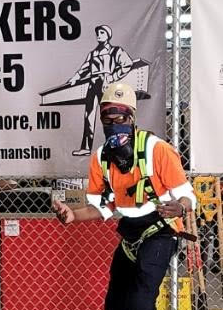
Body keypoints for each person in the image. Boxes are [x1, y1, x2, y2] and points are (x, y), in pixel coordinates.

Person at [53, 83, 196, 310]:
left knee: (140, 302)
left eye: (120, 119)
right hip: (130, 234)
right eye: (107, 121)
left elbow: (187, 195)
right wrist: (72, 216)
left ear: (132, 118)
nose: (113, 126)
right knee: (115, 302)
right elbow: (103, 207)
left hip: (160, 231)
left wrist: (180, 206)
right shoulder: (101, 158)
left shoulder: (157, 150)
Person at [68, 25, 134, 156]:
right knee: (89, 116)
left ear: (108, 35)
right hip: (93, 83)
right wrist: (75, 78)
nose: (99, 35)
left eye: (102, 32)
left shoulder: (115, 51)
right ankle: (86, 147)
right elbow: (84, 69)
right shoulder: (93, 53)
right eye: (98, 33)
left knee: (112, 117)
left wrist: (112, 77)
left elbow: (127, 64)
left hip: (106, 84)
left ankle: (116, 147)